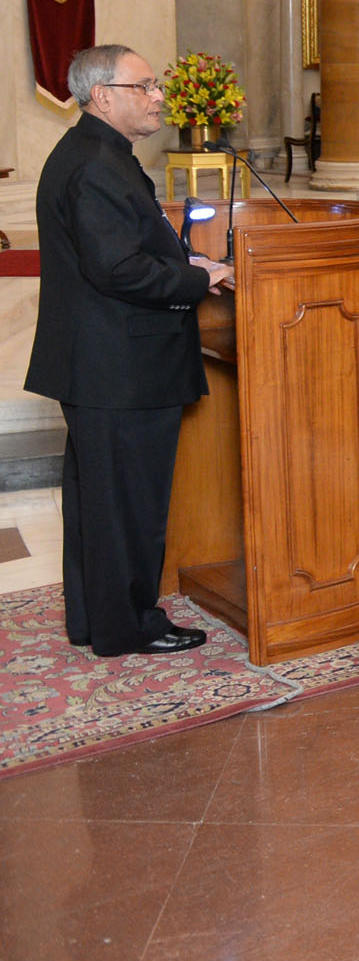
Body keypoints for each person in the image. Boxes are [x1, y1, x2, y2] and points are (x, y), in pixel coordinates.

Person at [27, 45, 234, 658]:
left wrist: (182, 260)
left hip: (102, 362)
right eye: (144, 86)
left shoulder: (96, 154)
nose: (157, 97)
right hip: (119, 365)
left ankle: (99, 620)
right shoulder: (96, 164)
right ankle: (132, 624)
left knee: (101, 502)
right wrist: (199, 279)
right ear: (104, 96)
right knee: (129, 504)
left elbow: (117, 252)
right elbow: (118, 270)